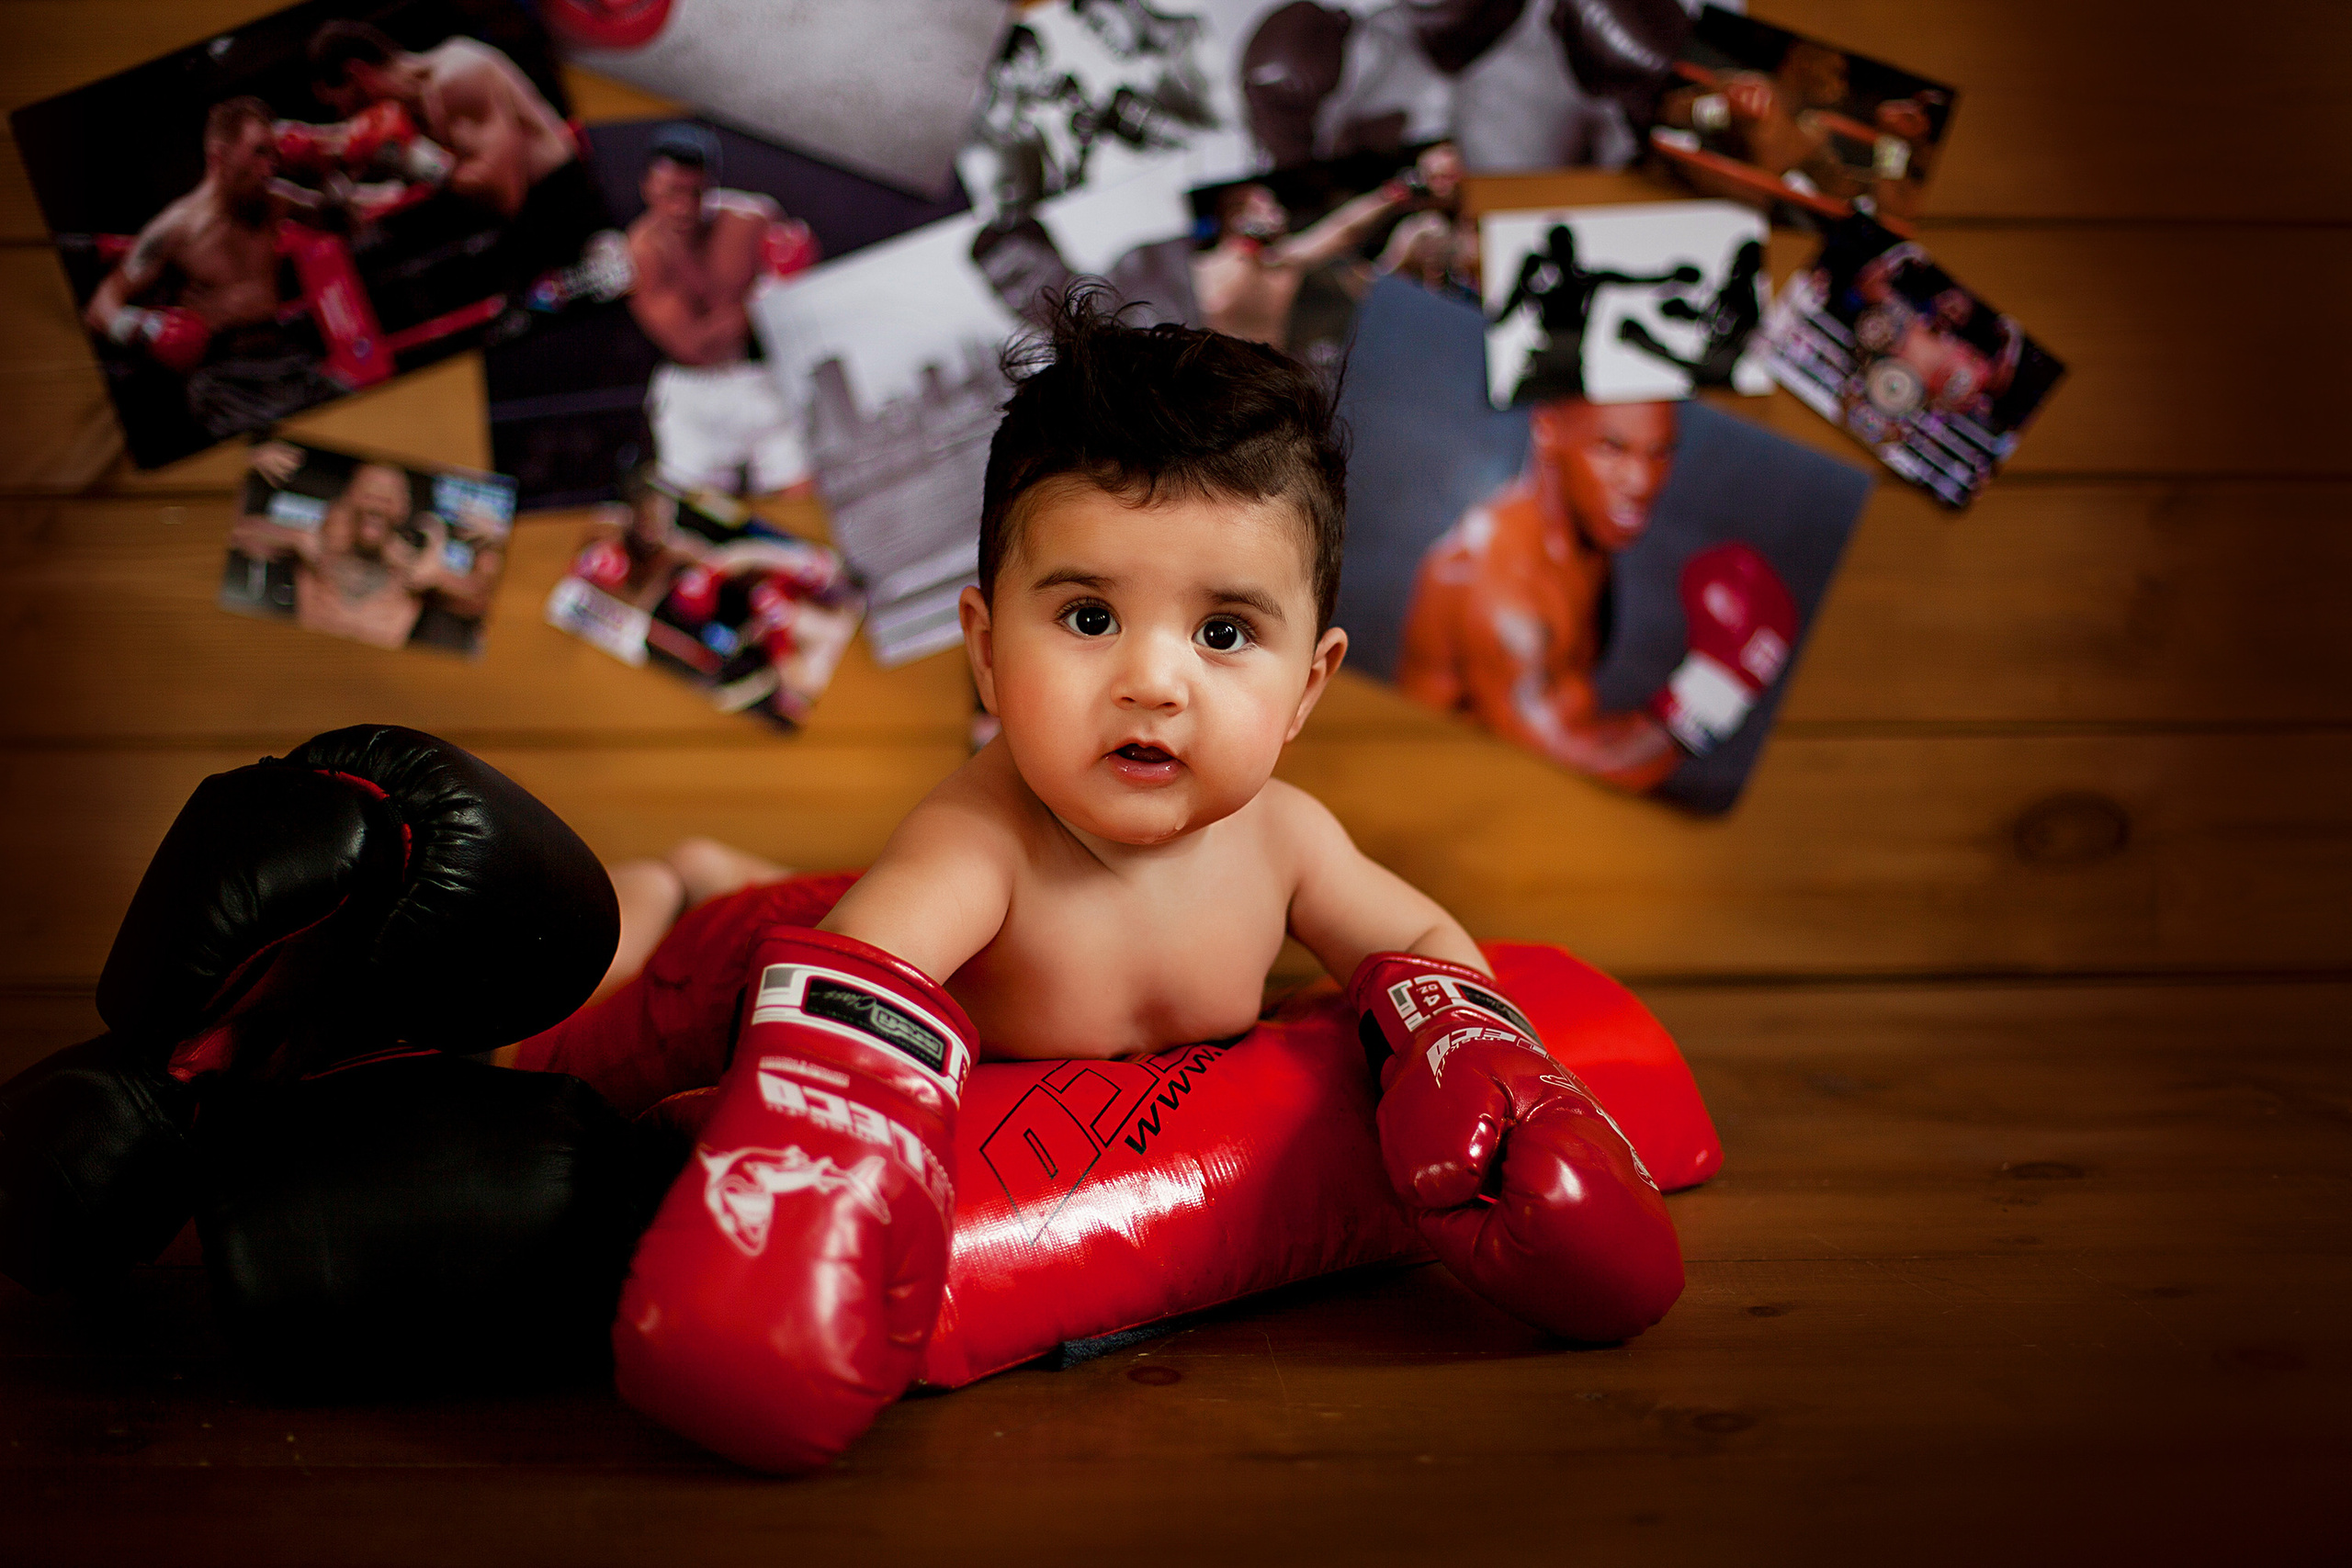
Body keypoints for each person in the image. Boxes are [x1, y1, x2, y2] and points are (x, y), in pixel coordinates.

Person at [508, 295, 1679, 1471]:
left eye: (1223, 633)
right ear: (984, 647)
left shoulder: (1288, 839)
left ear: (1309, 687)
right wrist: (810, 1179)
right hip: (756, 961)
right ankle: (673, 885)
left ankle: (708, 871)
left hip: (901, 959)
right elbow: (861, 971)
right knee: (568, 1026)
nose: (1152, 682)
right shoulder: (983, 837)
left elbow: (1416, 936)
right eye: (1086, 615)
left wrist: (1476, 1055)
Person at [1393, 397, 1683, 791]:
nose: (1642, 481)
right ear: (1547, 429)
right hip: (1441, 800)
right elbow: (1570, 770)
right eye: (1611, 448)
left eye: (1659, 453)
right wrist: (1713, 696)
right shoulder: (1499, 587)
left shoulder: (1585, 538)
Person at [81, 97, 343, 437]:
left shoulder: (273, 202)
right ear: (219, 156)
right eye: (258, 153)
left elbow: (345, 220)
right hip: (226, 380)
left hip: (285, 356)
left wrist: (324, 173)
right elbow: (101, 305)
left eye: (273, 154)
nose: (269, 167)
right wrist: (145, 328)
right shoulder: (175, 229)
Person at [304, 20, 605, 294]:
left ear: (357, 74)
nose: (346, 116)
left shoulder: (457, 76)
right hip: (525, 228)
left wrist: (413, 160)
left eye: (338, 105)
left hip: (564, 211)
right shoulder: (410, 110)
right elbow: (420, 183)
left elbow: (502, 192)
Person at [625, 125, 815, 496]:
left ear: (711, 186)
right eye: (670, 194)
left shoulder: (754, 219)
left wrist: (795, 274)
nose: (681, 208)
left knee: (804, 497)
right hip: (691, 394)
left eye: (694, 193)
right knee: (694, 519)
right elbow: (695, 346)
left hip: (757, 377)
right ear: (647, 188)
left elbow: (801, 301)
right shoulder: (640, 254)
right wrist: (767, 296)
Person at [228, 446, 503, 650]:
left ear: (404, 509)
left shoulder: (416, 567)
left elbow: (484, 603)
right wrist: (250, 462)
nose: (379, 498)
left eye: (390, 495)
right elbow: (235, 533)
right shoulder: (312, 543)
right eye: (369, 490)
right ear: (346, 499)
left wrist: (497, 537)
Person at [1189, 175, 1412, 352]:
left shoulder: (1280, 259)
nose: (1280, 214)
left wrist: (1391, 194)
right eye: (1267, 207)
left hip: (1264, 375)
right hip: (1217, 374)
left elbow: (1343, 230)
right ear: (1236, 217)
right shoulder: (1199, 267)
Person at [1491, 224, 1701, 401]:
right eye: (1557, 249)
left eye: (1565, 248)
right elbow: (1497, 322)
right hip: (1540, 366)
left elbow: (1634, 280)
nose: (1563, 255)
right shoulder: (1541, 288)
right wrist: (1521, 281)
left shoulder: (1586, 282)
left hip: (1570, 370)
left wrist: (1670, 277)